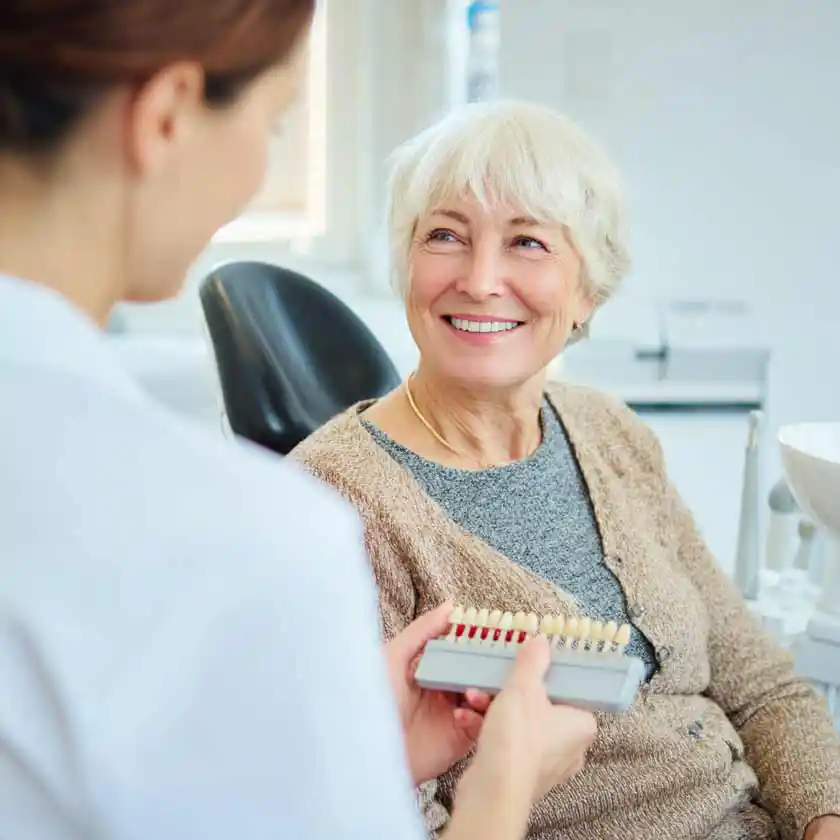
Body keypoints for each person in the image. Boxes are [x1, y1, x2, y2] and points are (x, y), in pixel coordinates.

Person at [0, 3, 597, 839]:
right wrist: (504, 785)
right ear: (165, 116)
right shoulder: (263, 536)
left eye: (528, 244)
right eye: (275, 122)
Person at [290, 100, 840, 840]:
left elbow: (762, 686)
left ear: (588, 290)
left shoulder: (609, 431)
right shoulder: (329, 505)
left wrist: (824, 817)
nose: (482, 280)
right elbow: (377, 817)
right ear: (406, 263)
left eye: (527, 243)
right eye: (445, 236)